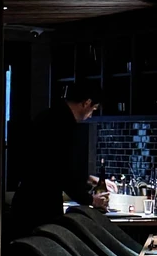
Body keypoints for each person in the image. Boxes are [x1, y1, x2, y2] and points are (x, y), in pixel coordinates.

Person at [8, 79, 107, 239]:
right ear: (87, 103)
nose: (91, 115)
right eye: (93, 109)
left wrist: (87, 179)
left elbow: (56, 164)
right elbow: (62, 173)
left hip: (26, 201)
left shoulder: (49, 116)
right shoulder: (63, 125)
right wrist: (91, 200)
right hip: (40, 207)